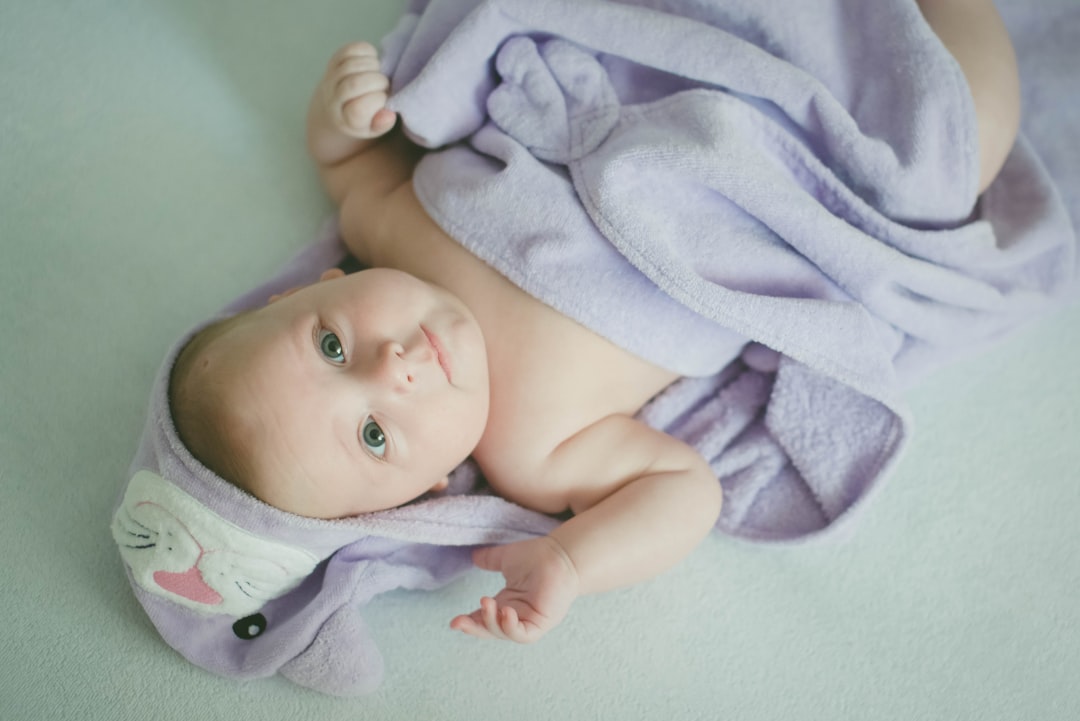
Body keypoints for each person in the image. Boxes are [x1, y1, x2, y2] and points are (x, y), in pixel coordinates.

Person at [168, 0, 1020, 644]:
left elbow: (347, 155)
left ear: (300, 291)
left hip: (648, 70)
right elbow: (684, 491)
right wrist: (575, 561)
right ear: (424, 492)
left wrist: (342, 113)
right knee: (955, 141)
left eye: (331, 344)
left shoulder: (387, 225)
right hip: (770, 178)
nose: (393, 367)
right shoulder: (536, 453)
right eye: (377, 436)